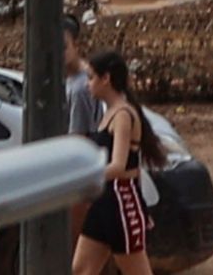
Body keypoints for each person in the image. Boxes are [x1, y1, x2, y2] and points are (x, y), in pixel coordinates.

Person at [72, 48, 159, 275]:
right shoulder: (109, 112)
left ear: (106, 79)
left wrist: (84, 177)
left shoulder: (122, 115)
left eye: (91, 78)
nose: (87, 84)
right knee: (81, 270)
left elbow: (118, 166)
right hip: (103, 201)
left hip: (121, 203)